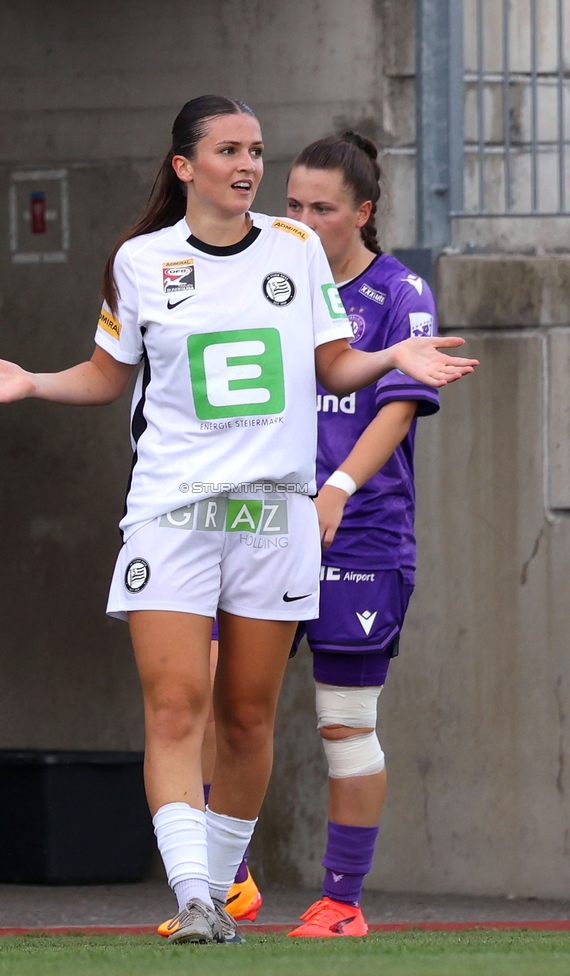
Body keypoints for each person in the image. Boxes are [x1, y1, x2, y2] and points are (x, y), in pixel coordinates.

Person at [0, 97, 476, 945]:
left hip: (274, 518)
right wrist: (32, 382)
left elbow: (333, 367)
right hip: (172, 514)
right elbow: (105, 374)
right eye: (229, 150)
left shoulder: (297, 251)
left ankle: (223, 889)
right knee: (174, 709)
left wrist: (392, 357)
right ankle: (195, 896)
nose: (248, 165)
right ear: (185, 167)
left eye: (256, 150)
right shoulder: (139, 261)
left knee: (245, 718)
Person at [282, 131, 442, 937]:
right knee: (211, 698)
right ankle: (220, 883)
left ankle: (342, 901)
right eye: (293, 206)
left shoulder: (401, 293)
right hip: (260, 525)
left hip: (361, 534)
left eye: (324, 209)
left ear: (364, 212)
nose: (304, 223)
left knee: (344, 721)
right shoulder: (269, 281)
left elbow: (399, 405)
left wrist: (338, 489)